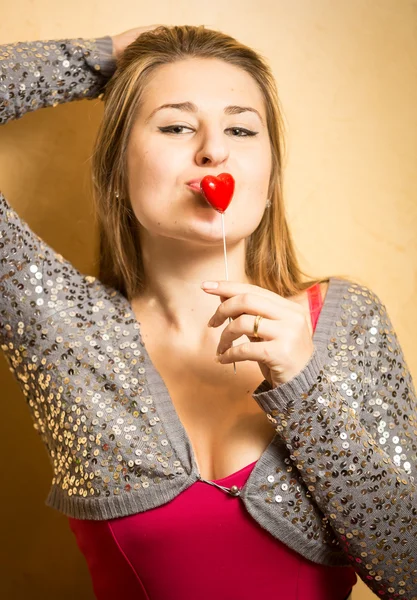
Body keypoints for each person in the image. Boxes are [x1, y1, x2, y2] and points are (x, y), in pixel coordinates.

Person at [0, 24, 416, 600]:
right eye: (175, 125)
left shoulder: (347, 325)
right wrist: (98, 59)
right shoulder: (64, 330)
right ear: (116, 174)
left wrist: (305, 386)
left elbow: (411, 572)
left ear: (269, 182)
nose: (213, 150)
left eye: (241, 129)